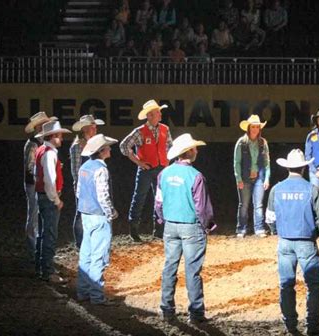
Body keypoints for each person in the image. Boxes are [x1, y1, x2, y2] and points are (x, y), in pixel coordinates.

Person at [266, 149, 319, 336]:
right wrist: (314, 234)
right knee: (314, 285)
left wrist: (277, 232)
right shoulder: (312, 189)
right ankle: (312, 324)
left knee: (286, 284)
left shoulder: (276, 189)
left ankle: (290, 324)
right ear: (303, 167)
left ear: (288, 168)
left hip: (285, 242)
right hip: (306, 242)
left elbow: (270, 218)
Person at [155, 133, 215, 324]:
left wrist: (162, 219)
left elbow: (158, 202)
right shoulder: (196, 176)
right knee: (192, 270)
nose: (196, 150)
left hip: (170, 226)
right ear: (188, 152)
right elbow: (202, 207)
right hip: (191, 227)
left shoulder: (163, 173)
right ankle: (196, 313)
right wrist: (208, 225)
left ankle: (167, 309)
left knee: (170, 266)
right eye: (194, 148)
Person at [120, 99, 172, 242]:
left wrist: (167, 163)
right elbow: (124, 146)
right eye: (157, 113)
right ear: (149, 116)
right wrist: (138, 162)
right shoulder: (140, 132)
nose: (160, 115)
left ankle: (159, 230)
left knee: (160, 200)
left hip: (161, 169)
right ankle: (134, 229)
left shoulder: (165, 129)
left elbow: (169, 147)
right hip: (146, 169)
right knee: (139, 198)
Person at [76, 134, 119, 306]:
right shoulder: (102, 169)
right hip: (99, 216)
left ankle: (83, 291)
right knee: (99, 257)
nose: (109, 149)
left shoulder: (84, 167)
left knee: (86, 254)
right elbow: (103, 196)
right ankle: (96, 296)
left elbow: (79, 192)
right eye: (107, 147)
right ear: (101, 151)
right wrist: (111, 213)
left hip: (85, 214)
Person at [34, 120, 71, 283]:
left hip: (42, 196)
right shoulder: (49, 153)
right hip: (48, 198)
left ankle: (42, 267)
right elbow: (50, 180)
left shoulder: (42, 150)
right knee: (49, 235)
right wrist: (56, 200)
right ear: (53, 136)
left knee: (44, 234)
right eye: (60, 136)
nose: (61, 139)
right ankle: (48, 272)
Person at [24, 112, 56, 262]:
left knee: (38, 214)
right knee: (34, 215)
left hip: (37, 183)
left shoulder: (39, 143)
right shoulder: (33, 144)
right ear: (37, 127)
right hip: (33, 183)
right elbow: (31, 168)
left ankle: (38, 249)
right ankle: (34, 249)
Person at [70, 115, 105, 248]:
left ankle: (89, 241)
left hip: (94, 183)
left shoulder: (93, 144)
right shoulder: (77, 146)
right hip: (84, 185)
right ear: (85, 129)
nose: (95, 129)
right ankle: (80, 243)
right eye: (92, 127)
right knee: (81, 213)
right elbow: (76, 170)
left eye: (95, 126)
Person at [234, 115, 270, 238]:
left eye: (257, 127)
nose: (255, 129)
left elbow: (267, 163)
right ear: (249, 128)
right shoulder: (241, 143)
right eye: (253, 126)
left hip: (259, 177)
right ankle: (241, 228)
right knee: (244, 205)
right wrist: (238, 178)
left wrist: (267, 178)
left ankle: (259, 228)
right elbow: (236, 162)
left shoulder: (262, 143)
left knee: (258, 204)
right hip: (244, 177)